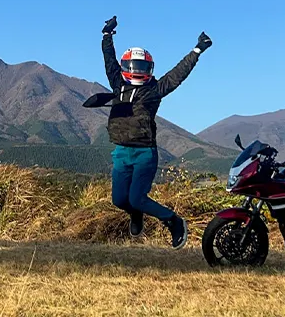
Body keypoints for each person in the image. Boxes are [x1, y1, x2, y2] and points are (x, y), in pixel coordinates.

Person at [83, 15, 213, 249]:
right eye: (133, 66)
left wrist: (196, 51)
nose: (137, 70)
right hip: (121, 152)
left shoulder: (154, 90)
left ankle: (173, 221)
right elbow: (109, 61)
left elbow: (177, 75)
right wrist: (106, 36)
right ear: (126, 67)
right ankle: (136, 213)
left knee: (137, 198)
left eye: (142, 67)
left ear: (149, 69)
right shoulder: (118, 85)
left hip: (145, 153)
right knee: (120, 200)